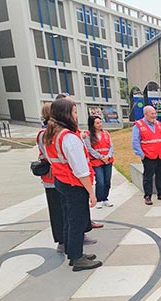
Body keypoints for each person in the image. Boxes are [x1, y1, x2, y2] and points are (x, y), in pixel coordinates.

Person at [43, 99, 103, 271]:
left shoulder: (51, 134)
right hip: (74, 184)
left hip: (61, 182)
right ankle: (77, 258)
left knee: (69, 219)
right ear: (66, 114)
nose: (77, 116)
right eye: (75, 112)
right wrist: (91, 193)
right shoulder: (69, 138)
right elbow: (81, 170)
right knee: (77, 221)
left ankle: (73, 252)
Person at [36, 102, 65, 253]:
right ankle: (61, 240)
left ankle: (69, 237)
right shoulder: (43, 134)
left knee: (65, 210)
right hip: (51, 178)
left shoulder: (57, 131)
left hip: (61, 177)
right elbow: (51, 155)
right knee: (56, 210)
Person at [132, 105, 161, 205]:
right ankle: (148, 196)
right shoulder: (138, 125)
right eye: (152, 114)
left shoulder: (159, 124)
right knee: (148, 177)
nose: (154, 115)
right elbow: (135, 141)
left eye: (155, 113)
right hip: (149, 156)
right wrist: (141, 154)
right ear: (145, 114)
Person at [84, 115, 114, 208]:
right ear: (92, 125)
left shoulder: (106, 133)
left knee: (107, 181)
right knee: (100, 181)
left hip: (107, 160)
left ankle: (105, 198)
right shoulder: (88, 135)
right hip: (96, 161)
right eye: (97, 123)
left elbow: (111, 146)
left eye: (100, 122)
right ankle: (99, 199)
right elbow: (89, 149)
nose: (100, 124)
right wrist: (101, 157)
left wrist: (108, 156)